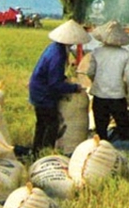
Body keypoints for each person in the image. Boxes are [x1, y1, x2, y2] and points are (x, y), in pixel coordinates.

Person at [29, 19, 91, 156]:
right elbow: (54, 83)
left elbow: (54, 76)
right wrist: (74, 88)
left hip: (37, 89)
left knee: (41, 124)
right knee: (51, 124)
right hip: (43, 93)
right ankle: (45, 152)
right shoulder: (58, 54)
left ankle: (36, 151)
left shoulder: (54, 47)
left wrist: (64, 80)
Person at [86, 20, 129, 141]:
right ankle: (127, 152)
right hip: (118, 98)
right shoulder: (126, 55)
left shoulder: (97, 52)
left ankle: (101, 154)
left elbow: (90, 72)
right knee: (124, 130)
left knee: (101, 131)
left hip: (99, 97)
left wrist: (97, 82)